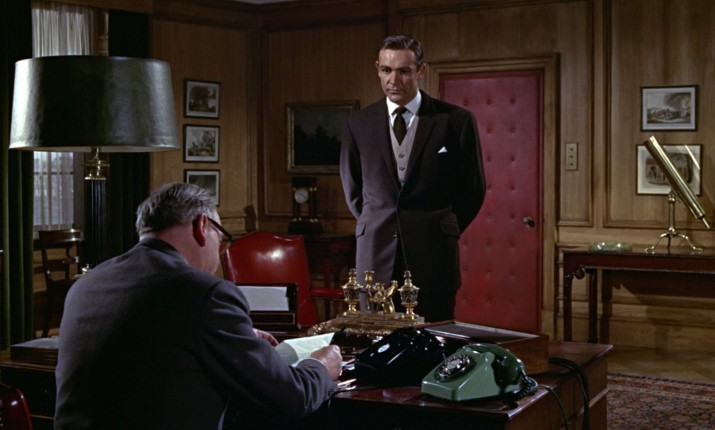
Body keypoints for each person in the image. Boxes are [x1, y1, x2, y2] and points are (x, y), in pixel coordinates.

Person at [55, 182, 342, 429]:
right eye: (221, 239)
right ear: (202, 226)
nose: (219, 254)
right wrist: (320, 365)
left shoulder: (85, 285)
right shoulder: (205, 292)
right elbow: (294, 398)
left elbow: (148, 347)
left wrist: (236, 335)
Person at [340, 34, 486, 322]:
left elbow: (473, 190)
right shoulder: (358, 125)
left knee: (433, 341)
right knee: (375, 342)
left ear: (421, 71)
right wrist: (379, 223)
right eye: (386, 70)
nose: (393, 80)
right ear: (377, 69)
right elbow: (353, 190)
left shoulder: (455, 121)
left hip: (434, 257)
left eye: (403, 71)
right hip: (375, 257)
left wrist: (442, 226)